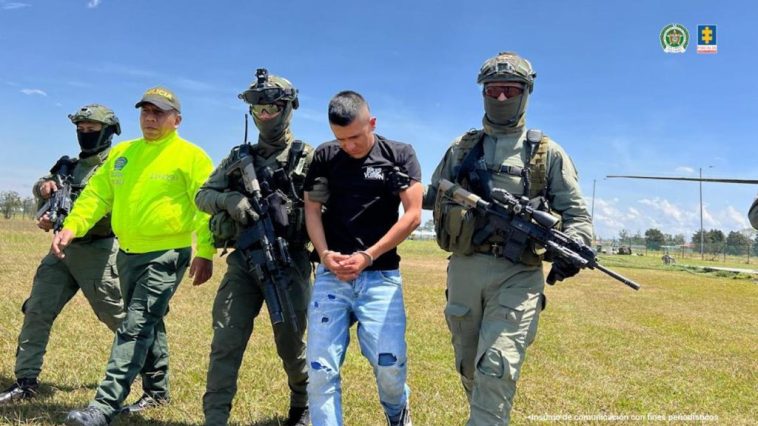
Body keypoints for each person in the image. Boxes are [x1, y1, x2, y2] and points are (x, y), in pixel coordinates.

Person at [423, 52, 593, 425]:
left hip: (518, 274)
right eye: (494, 90)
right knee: (469, 366)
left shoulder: (546, 153)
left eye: (510, 90)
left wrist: (575, 244)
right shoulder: (462, 147)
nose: (501, 98)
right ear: (483, 93)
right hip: (465, 269)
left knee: (497, 366)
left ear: (526, 92)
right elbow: (431, 196)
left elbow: (578, 215)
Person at [51, 87, 215, 426]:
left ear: (177, 120)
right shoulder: (123, 153)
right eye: (145, 112)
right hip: (127, 253)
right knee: (147, 321)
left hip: (167, 254)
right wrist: (72, 226)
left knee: (135, 325)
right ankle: (156, 392)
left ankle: (103, 406)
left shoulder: (191, 157)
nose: (151, 118)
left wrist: (207, 252)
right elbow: (97, 196)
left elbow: (205, 209)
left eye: (159, 113)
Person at [195, 69, 313, 426]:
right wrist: (230, 199)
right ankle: (215, 418)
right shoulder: (237, 157)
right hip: (245, 261)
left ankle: (302, 400)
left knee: (291, 342)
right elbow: (202, 195)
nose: (265, 116)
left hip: (288, 262)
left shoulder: (307, 157)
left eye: (272, 108)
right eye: (258, 110)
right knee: (226, 340)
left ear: (288, 108)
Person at [303, 90, 422, 426]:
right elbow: (311, 208)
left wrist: (368, 256)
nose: (348, 146)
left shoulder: (399, 154)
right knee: (320, 369)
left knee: (389, 364)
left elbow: (412, 214)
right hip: (331, 276)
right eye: (340, 139)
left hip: (380, 275)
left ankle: (397, 413)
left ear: (372, 123)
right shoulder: (325, 156)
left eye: (355, 136)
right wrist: (325, 254)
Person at [0, 105, 125, 405]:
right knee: (37, 310)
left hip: (100, 250)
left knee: (120, 319)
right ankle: (26, 382)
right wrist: (44, 190)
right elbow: (42, 187)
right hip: (62, 250)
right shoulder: (69, 165)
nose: (85, 133)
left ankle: (153, 382)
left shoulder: (118, 165)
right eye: (80, 129)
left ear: (109, 131)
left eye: (92, 128)